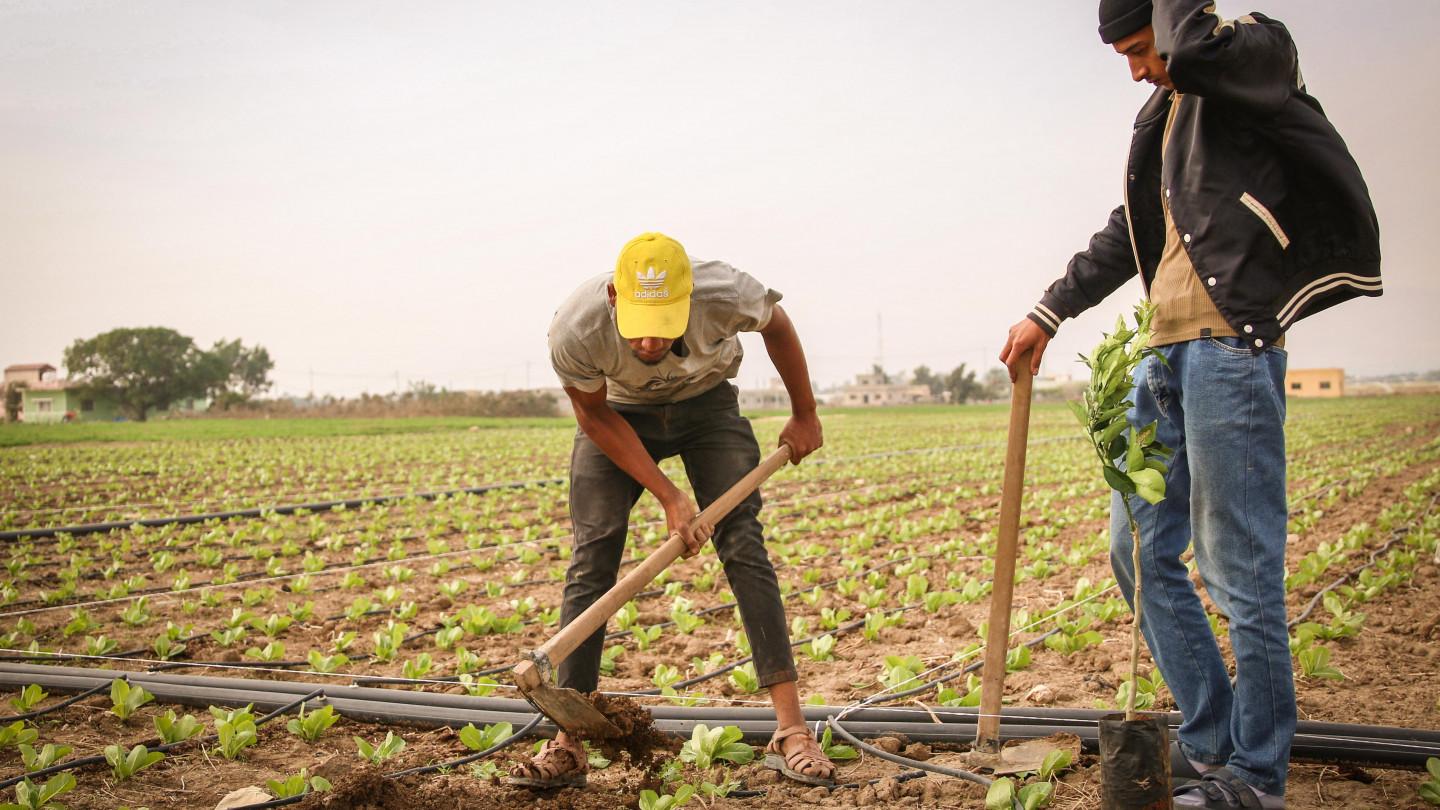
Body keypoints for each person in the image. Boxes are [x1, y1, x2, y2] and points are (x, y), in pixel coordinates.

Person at [1000, 2, 1380, 808]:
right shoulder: (1163, 118)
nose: (1137, 68)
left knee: (1239, 572)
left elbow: (1195, 48)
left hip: (1229, 351)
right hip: (1161, 353)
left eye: (1142, 48)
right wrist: (1048, 311)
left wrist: (1178, 21)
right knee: (1136, 553)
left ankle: (1257, 778)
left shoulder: (1252, 57)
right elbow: (1128, 232)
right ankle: (1209, 742)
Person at [508, 232, 834, 789]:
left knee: (743, 544)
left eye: (666, 322)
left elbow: (777, 326)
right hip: (619, 415)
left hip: (707, 404)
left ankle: (791, 730)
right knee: (594, 554)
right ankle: (569, 740)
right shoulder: (576, 328)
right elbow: (592, 416)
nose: (653, 340)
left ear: (688, 301)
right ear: (615, 297)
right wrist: (668, 494)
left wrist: (804, 412)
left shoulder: (724, 290)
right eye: (639, 323)